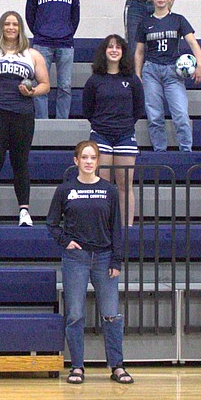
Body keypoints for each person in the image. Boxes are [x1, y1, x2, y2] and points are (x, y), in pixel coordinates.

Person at [46, 140, 130, 385]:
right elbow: (51, 223)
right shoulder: (65, 190)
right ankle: (77, 367)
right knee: (74, 314)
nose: (89, 161)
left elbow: (116, 228)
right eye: (85, 157)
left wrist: (116, 259)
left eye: (93, 157)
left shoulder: (109, 190)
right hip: (76, 259)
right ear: (76, 161)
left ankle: (117, 366)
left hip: (104, 258)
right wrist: (66, 241)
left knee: (111, 314)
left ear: (98, 161)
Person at [0, 11, 49, 227]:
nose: (11, 27)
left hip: (23, 115)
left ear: (20, 28)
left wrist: (32, 93)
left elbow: (45, 84)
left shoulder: (32, 55)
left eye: (15, 24)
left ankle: (24, 211)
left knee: (20, 164)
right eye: (7, 23)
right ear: (1, 27)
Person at [134, 0, 201, 152]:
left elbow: (192, 42)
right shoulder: (145, 23)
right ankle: (160, 152)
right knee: (155, 116)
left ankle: (186, 151)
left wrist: (200, 64)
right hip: (151, 71)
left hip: (173, 71)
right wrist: (137, 75)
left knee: (180, 114)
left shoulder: (178, 19)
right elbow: (139, 52)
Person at [82, 34, 144, 226]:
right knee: (103, 185)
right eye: (110, 47)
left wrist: (123, 125)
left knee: (125, 185)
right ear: (104, 51)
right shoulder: (94, 80)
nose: (114, 50)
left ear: (123, 52)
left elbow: (139, 109)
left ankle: (127, 228)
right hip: (101, 136)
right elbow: (87, 109)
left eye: (118, 47)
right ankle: (104, 228)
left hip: (125, 135)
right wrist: (103, 125)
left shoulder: (132, 80)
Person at [25, 0, 80, 120]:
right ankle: (42, 121)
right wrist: (40, 32)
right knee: (41, 85)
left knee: (65, 86)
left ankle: (62, 122)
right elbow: (30, 14)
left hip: (65, 43)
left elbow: (75, 16)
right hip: (42, 42)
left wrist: (68, 33)